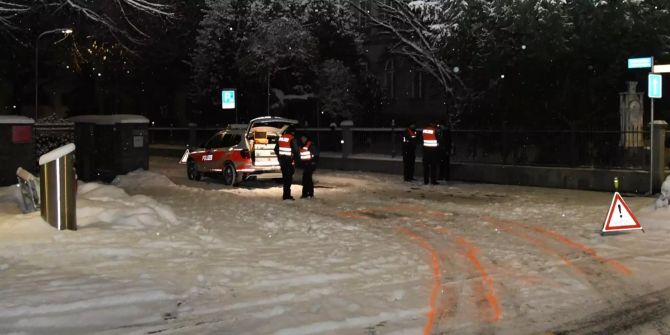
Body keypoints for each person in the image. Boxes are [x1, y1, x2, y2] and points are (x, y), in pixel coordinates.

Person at [274, 126, 300, 200]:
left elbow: (276, 149)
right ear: (293, 132)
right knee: (288, 179)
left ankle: (285, 195)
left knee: (285, 178)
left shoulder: (281, 138)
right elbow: (296, 151)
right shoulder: (292, 138)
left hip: (282, 161)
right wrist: (297, 160)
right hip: (288, 161)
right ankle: (287, 196)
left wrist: (280, 158)